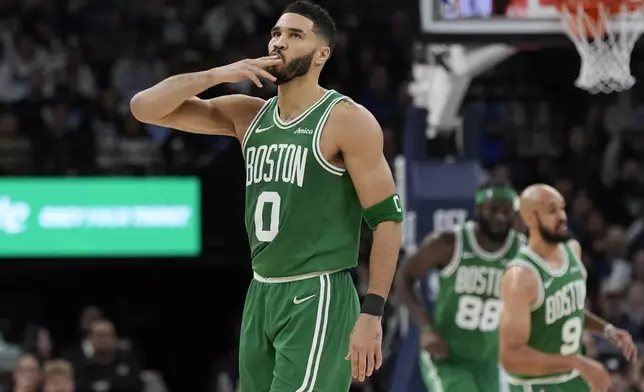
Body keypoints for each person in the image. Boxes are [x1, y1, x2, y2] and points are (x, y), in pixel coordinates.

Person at [130, 1, 403, 391]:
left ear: (321, 54)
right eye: (276, 33)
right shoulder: (248, 115)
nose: (279, 42)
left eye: (295, 35)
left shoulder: (346, 119)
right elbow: (143, 108)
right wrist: (216, 74)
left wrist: (372, 312)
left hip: (318, 290)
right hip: (261, 290)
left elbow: (387, 221)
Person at [499, 184, 638, 392]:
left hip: (572, 379)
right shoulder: (521, 276)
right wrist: (577, 362)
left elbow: (567, 312)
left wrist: (607, 330)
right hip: (536, 385)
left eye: (562, 208)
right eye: (552, 211)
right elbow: (511, 357)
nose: (562, 216)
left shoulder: (573, 250)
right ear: (530, 218)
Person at [396, 180, 524, 391]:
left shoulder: (522, 252)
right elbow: (404, 277)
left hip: (489, 361)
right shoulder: (449, 243)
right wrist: (426, 327)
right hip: (447, 357)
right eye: (493, 209)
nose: (500, 216)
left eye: (507, 211)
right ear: (479, 208)